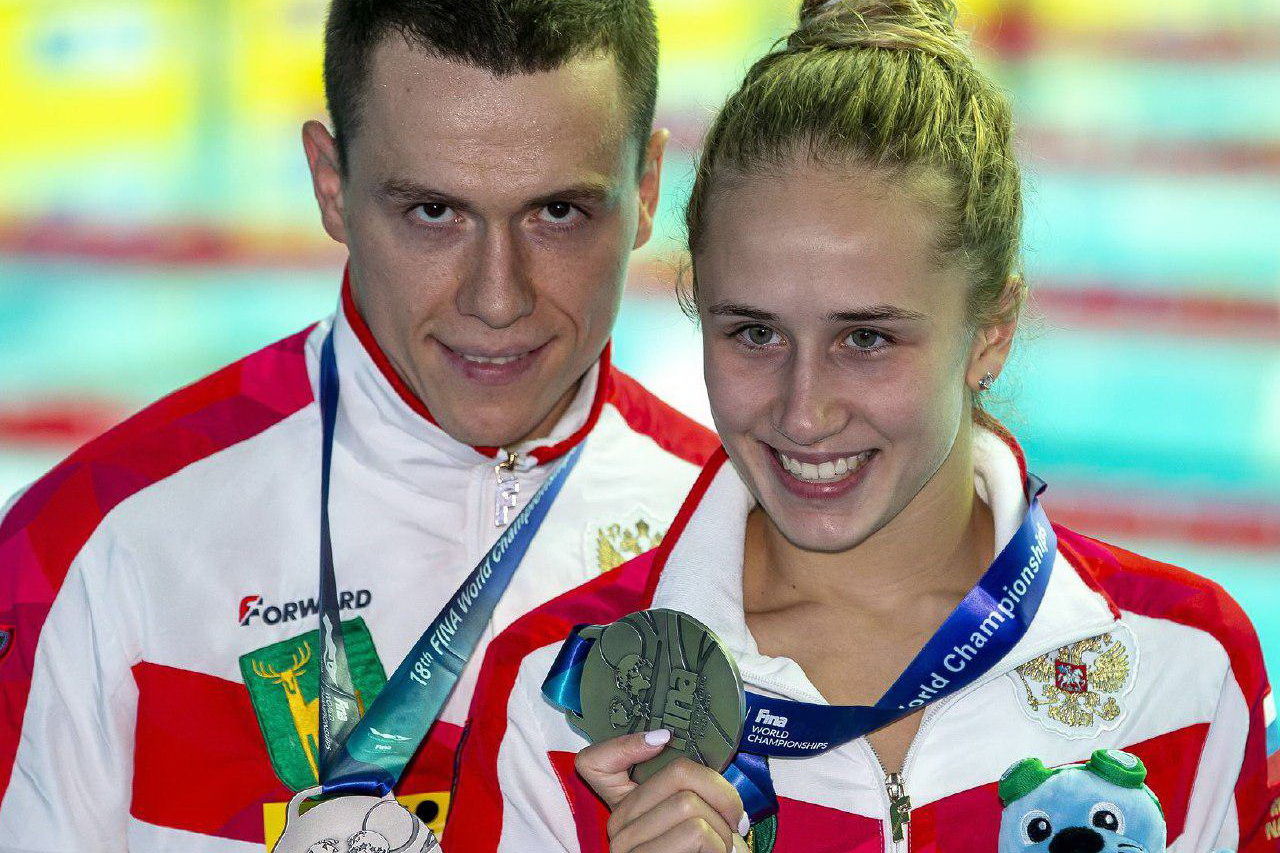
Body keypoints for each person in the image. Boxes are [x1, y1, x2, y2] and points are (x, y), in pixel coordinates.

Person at [444, 1, 1280, 850]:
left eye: (867, 338)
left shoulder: (1183, 671)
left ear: (990, 332)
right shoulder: (558, 701)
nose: (804, 412)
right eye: (755, 333)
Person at [0, 1, 719, 849]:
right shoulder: (88, 545)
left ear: (647, 191)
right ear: (330, 186)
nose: (497, 299)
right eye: (433, 212)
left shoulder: (733, 531)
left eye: (558, 213)